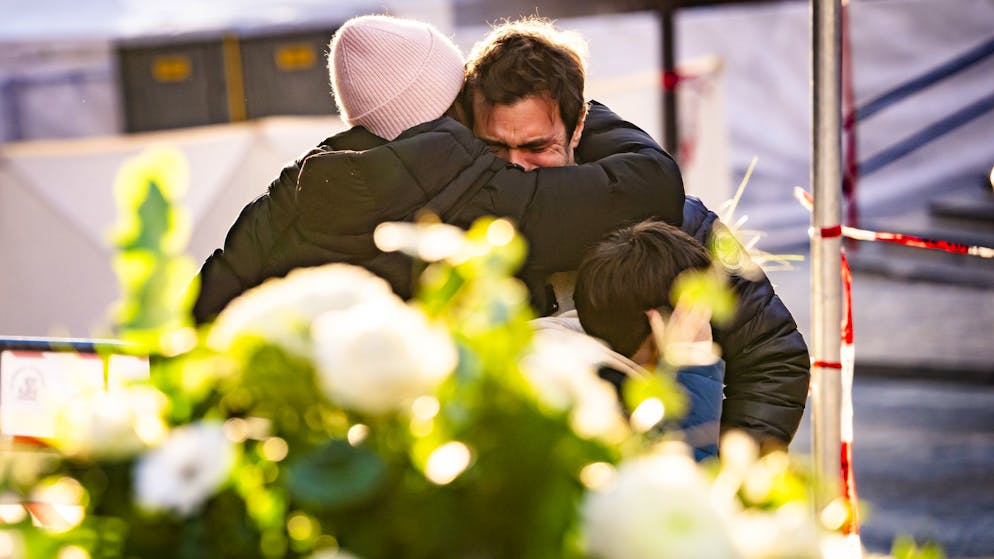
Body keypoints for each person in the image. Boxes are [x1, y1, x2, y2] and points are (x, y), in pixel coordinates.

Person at [192, 14, 685, 323]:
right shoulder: (468, 183)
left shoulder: (299, 183)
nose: (516, 162)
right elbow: (652, 185)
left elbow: (210, 295)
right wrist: (578, 110)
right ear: (451, 109)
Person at [461, 17, 809, 451]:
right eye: (494, 148)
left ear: (578, 128)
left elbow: (773, 356)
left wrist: (724, 475)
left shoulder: (676, 218)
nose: (516, 168)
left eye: (537, 148)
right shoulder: (459, 229)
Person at [570, 219, 725, 460]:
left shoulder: (564, 349)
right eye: (699, 317)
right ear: (661, 325)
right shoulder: (611, 421)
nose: (706, 326)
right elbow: (689, 486)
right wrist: (694, 366)